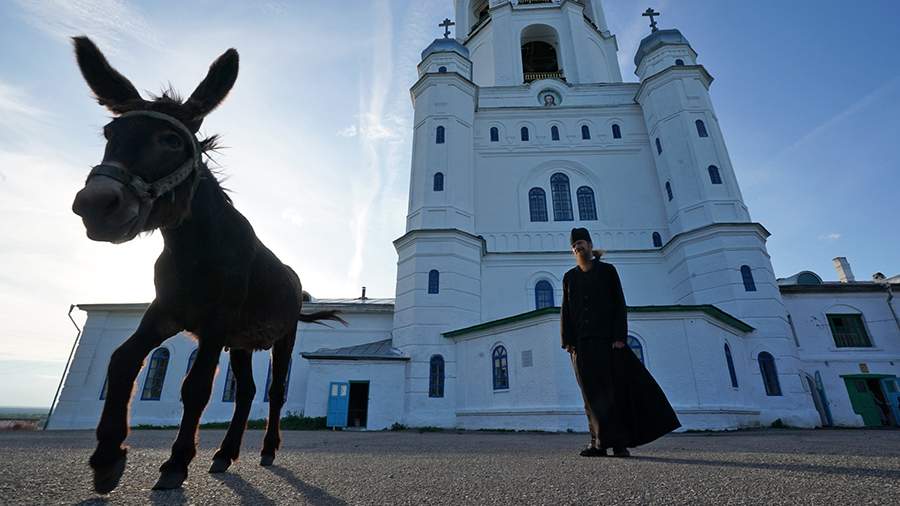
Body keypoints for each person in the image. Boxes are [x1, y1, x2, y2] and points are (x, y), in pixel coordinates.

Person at [561, 227, 680, 457]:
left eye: (582, 243)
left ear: (590, 245)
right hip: (581, 346)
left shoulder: (607, 271)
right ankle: (598, 444)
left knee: (613, 392)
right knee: (590, 396)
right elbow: (566, 311)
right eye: (575, 246)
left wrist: (619, 337)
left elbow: (618, 303)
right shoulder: (570, 277)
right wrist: (568, 341)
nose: (578, 248)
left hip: (607, 343)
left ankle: (619, 444)